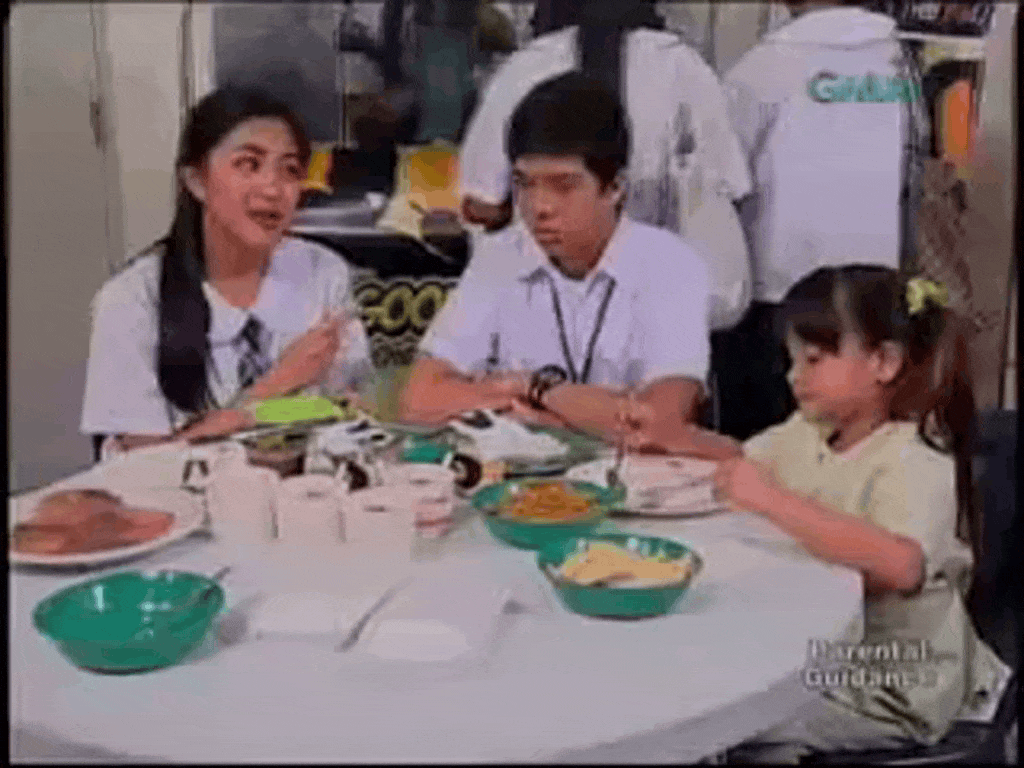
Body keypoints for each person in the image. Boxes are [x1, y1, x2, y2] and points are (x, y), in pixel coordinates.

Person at [692, 265, 1008, 763]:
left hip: (894, 682)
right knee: (711, 678)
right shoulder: (810, 431)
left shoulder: (913, 458)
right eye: (791, 361)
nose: (794, 376)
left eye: (814, 359)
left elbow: (901, 566)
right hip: (823, 654)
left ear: (884, 362)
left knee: (733, 724)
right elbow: (741, 461)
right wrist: (663, 436)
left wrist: (772, 501)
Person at [401, 72, 740, 459]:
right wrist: (595, 414)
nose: (539, 207)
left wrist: (533, 389)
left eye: (563, 186)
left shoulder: (670, 264)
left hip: (634, 483)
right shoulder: (500, 255)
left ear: (615, 188)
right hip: (520, 481)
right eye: (524, 184)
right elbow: (419, 400)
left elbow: (658, 424)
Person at [81, 86, 372, 454]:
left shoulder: (323, 272)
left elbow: (352, 410)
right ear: (196, 181)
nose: (273, 189)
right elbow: (145, 464)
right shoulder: (131, 301)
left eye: (290, 170)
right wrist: (273, 387)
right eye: (248, 164)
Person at [458, 0, 754, 335]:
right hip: (655, 319)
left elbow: (483, 203)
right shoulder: (685, 69)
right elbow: (727, 189)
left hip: (544, 317)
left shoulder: (525, 68)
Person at [716, 0, 928, 440]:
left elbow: (722, 181)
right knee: (856, 443)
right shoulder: (899, 62)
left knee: (769, 447)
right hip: (871, 298)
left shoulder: (763, 68)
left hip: (779, 304)